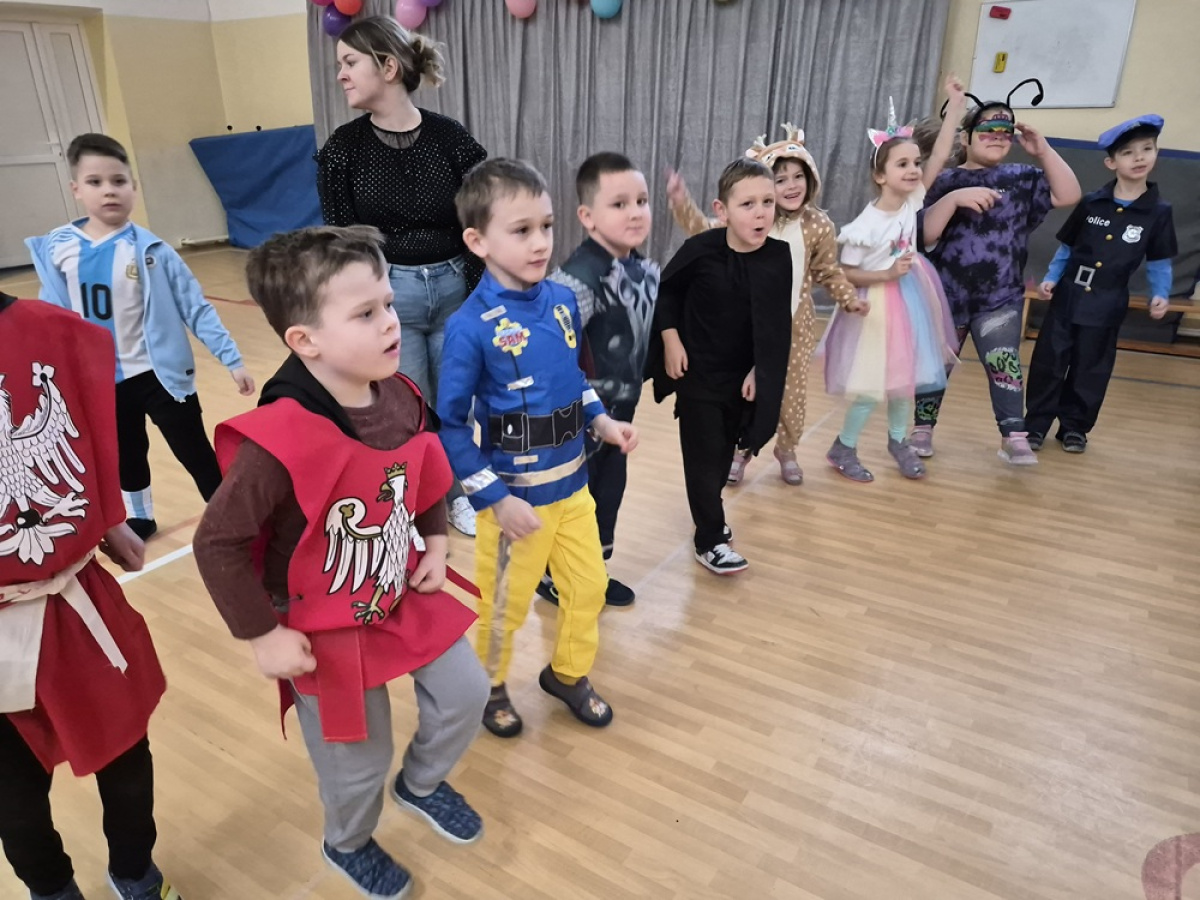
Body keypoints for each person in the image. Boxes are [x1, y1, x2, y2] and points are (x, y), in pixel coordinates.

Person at [193, 226, 489, 900]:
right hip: (316, 623)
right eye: (365, 313)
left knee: (466, 694)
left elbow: (423, 469)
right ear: (305, 340)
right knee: (358, 762)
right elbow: (217, 544)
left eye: (387, 303)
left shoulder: (399, 393)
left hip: (392, 584)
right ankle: (348, 841)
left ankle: (421, 785)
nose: (392, 321)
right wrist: (263, 635)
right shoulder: (277, 441)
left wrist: (435, 539)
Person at [437, 159, 638, 738]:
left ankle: (567, 674)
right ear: (478, 241)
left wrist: (601, 421)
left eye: (546, 226)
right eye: (521, 230)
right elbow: (451, 425)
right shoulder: (469, 327)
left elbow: (574, 378)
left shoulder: (561, 301)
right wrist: (496, 500)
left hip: (573, 489)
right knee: (506, 607)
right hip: (516, 503)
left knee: (589, 589)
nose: (541, 242)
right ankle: (491, 686)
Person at [0, 293, 181, 900]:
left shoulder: (49, 331)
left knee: (126, 757)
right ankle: (51, 891)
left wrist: (109, 517)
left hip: (71, 601)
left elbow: (89, 429)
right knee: (12, 798)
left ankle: (135, 872)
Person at [26, 133, 252, 541]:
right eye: (95, 182)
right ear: (76, 189)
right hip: (101, 381)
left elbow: (195, 307)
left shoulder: (153, 251)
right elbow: (49, 319)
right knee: (127, 453)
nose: (109, 190)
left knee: (193, 448)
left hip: (159, 375)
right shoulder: (60, 249)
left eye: (119, 181)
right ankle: (141, 516)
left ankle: (229, 517)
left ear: (134, 187)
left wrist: (231, 358)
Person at [317, 16, 487, 537]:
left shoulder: (450, 139)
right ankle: (418, 505)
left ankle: (460, 493)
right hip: (391, 299)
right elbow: (343, 243)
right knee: (406, 409)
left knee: (456, 404)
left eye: (350, 62)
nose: (341, 74)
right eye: (340, 64)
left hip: (456, 290)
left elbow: (482, 218)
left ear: (388, 67)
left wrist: (482, 295)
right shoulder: (342, 150)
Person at [666, 123, 857, 487]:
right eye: (780, 180)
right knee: (747, 394)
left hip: (795, 331)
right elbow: (704, 229)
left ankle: (787, 449)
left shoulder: (818, 226)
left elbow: (827, 270)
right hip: (749, 329)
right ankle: (742, 450)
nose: (791, 186)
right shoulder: (751, 223)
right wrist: (681, 203)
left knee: (790, 397)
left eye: (798, 176)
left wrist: (847, 298)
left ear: (810, 179)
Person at [916, 80, 1082, 464]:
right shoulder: (945, 180)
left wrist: (1044, 150)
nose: (997, 136)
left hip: (1001, 296)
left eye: (1005, 131)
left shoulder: (1022, 177)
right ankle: (922, 428)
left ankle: (1013, 434)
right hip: (947, 294)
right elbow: (925, 233)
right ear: (966, 138)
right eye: (987, 129)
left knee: (1005, 364)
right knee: (935, 366)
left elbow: (1069, 195)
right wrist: (953, 199)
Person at [648, 158, 792, 574]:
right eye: (748, 204)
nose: (761, 213)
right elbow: (667, 293)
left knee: (723, 454)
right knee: (703, 459)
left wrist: (759, 369)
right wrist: (670, 338)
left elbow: (775, 325)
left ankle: (711, 516)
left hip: (740, 381)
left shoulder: (778, 259)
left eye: (767, 202)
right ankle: (709, 537)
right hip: (698, 377)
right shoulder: (701, 250)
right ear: (721, 209)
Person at [536, 151, 658, 609]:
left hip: (617, 417)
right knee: (576, 501)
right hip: (579, 421)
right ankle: (556, 576)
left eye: (641, 201)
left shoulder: (638, 267)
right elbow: (551, 355)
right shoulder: (577, 281)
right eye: (619, 204)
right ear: (587, 217)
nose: (635, 213)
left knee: (608, 494)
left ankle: (592, 570)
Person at [820, 98, 960, 483]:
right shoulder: (865, 226)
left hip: (910, 296)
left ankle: (899, 441)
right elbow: (846, 273)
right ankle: (844, 446)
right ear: (880, 175)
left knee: (905, 379)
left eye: (915, 162)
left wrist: (955, 110)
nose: (914, 170)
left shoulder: (911, 201)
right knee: (869, 386)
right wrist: (885, 274)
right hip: (876, 305)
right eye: (902, 164)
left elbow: (940, 155)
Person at [1025, 115, 1177, 453]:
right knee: (1049, 362)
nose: (1139, 157)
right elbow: (1067, 248)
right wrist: (1051, 278)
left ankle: (1074, 428)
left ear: (1156, 154)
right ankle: (1034, 425)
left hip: (1107, 304)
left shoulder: (1158, 211)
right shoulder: (1092, 202)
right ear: (1111, 162)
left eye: (1147, 149)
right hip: (1067, 298)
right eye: (1128, 152)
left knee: (1091, 368)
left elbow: (1159, 261)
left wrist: (1160, 294)